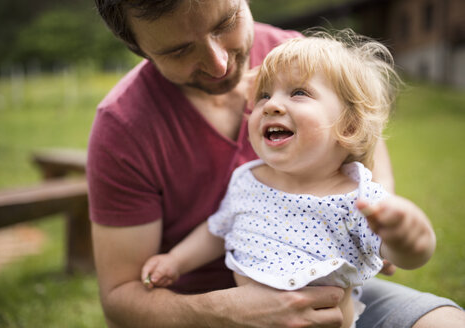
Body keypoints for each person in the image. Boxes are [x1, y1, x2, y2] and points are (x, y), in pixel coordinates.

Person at [89, 0, 465, 327]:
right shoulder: (124, 125)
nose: (218, 64)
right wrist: (219, 308)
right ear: (138, 48)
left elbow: (366, 131)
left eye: (225, 23)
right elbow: (122, 299)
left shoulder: (297, 56)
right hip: (199, 311)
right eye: (178, 50)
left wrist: (387, 220)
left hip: (331, 302)